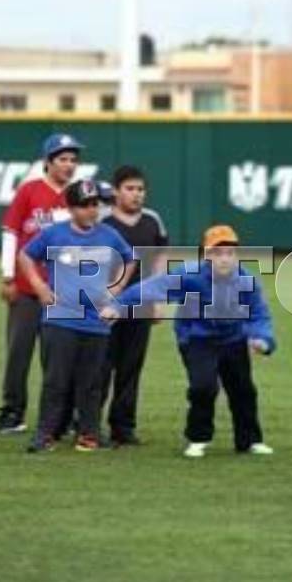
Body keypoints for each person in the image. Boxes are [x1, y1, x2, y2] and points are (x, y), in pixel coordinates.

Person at [109, 224, 275, 458]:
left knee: (243, 390)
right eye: (218, 253)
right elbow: (152, 287)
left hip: (233, 338)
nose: (225, 258)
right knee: (203, 387)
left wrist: (263, 339)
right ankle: (198, 438)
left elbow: (259, 313)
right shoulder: (189, 276)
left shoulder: (246, 281)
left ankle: (249, 441)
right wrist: (118, 305)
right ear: (207, 255)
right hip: (198, 339)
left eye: (230, 252)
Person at [21, 180, 135, 453]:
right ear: (71, 208)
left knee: (91, 384)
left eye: (95, 204)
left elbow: (130, 259)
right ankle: (45, 434)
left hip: (96, 323)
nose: (91, 210)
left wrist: (117, 288)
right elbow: (25, 256)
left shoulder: (109, 235)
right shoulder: (54, 235)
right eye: (84, 205)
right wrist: (39, 287)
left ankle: (90, 434)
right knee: (55, 381)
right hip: (60, 321)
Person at [0, 133, 83, 435]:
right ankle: (13, 412)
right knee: (19, 352)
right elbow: (11, 232)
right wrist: (7, 275)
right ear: (48, 162)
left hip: (65, 291)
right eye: (62, 159)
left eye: (72, 159)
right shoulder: (29, 191)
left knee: (60, 358)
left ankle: (63, 417)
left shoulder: (80, 195)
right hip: (28, 288)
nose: (68, 165)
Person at [98, 165, 169, 446]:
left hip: (140, 304)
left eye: (140, 189)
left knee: (130, 368)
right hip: (106, 305)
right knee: (100, 367)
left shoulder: (153, 221)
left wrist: (158, 299)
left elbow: (160, 259)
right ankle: (88, 423)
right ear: (115, 191)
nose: (136, 194)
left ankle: (123, 427)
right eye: (129, 188)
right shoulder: (103, 222)